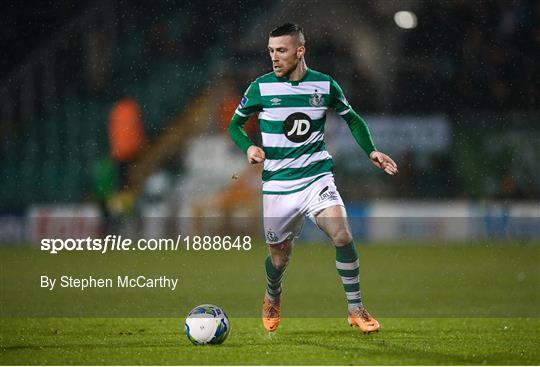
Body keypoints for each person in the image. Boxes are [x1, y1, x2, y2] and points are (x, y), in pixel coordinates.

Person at [227, 23, 398, 333]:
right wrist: (249, 146)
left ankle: (356, 309)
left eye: (281, 51)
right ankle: (272, 295)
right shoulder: (260, 88)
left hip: (316, 178)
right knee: (279, 260)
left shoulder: (325, 86)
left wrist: (371, 151)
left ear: (300, 51)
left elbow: (353, 119)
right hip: (278, 184)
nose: (274, 58)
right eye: (270, 51)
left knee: (342, 235)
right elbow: (234, 126)